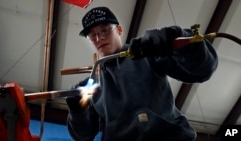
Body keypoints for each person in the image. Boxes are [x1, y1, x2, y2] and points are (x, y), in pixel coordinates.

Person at [66, 6, 218, 141]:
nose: (99, 38)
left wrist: (177, 40)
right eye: (93, 35)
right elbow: (83, 136)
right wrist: (77, 112)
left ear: (119, 30)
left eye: (105, 29)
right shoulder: (91, 85)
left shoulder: (145, 54)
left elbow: (201, 71)